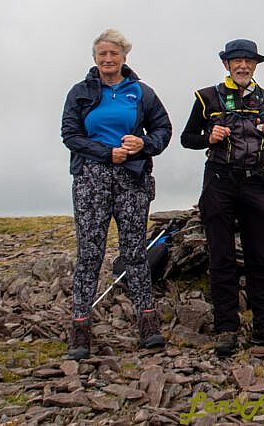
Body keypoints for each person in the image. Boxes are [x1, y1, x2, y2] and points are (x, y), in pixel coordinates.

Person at [61, 29, 172, 360]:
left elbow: (163, 130)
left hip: (133, 179)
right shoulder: (80, 92)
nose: (107, 59)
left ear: (125, 57)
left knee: (135, 252)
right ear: (94, 58)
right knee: (90, 253)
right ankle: (80, 331)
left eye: (114, 54)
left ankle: (148, 326)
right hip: (91, 179)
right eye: (102, 54)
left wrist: (143, 144)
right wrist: (106, 152)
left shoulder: (140, 92)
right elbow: (70, 134)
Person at [180, 39, 264, 356]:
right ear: (226, 64)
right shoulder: (207, 97)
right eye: (236, 61)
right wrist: (208, 137)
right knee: (221, 256)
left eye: (249, 61)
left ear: (256, 65)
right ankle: (226, 329)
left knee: (260, 256)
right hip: (219, 180)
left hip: (255, 181)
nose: (243, 66)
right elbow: (188, 138)